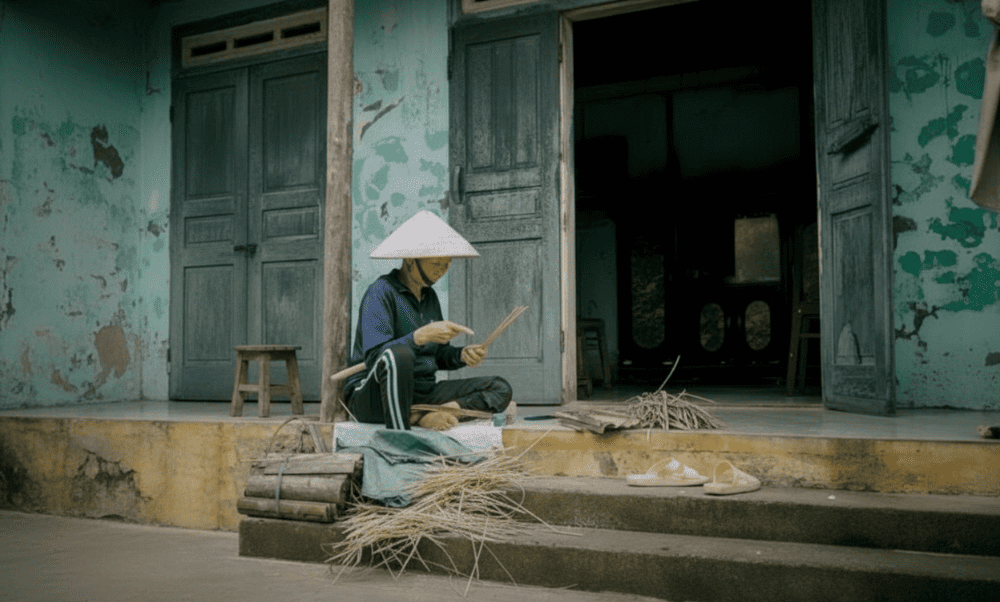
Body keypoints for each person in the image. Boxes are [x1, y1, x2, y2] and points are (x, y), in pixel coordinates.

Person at [343, 211, 513, 430]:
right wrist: (419, 336)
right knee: (398, 355)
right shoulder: (380, 292)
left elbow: (438, 355)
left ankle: (433, 413)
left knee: (499, 388)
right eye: (436, 264)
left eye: (446, 264)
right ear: (410, 260)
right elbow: (378, 358)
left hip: (421, 393)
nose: (442, 271)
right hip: (373, 396)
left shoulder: (429, 296)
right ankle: (408, 426)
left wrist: (462, 355)